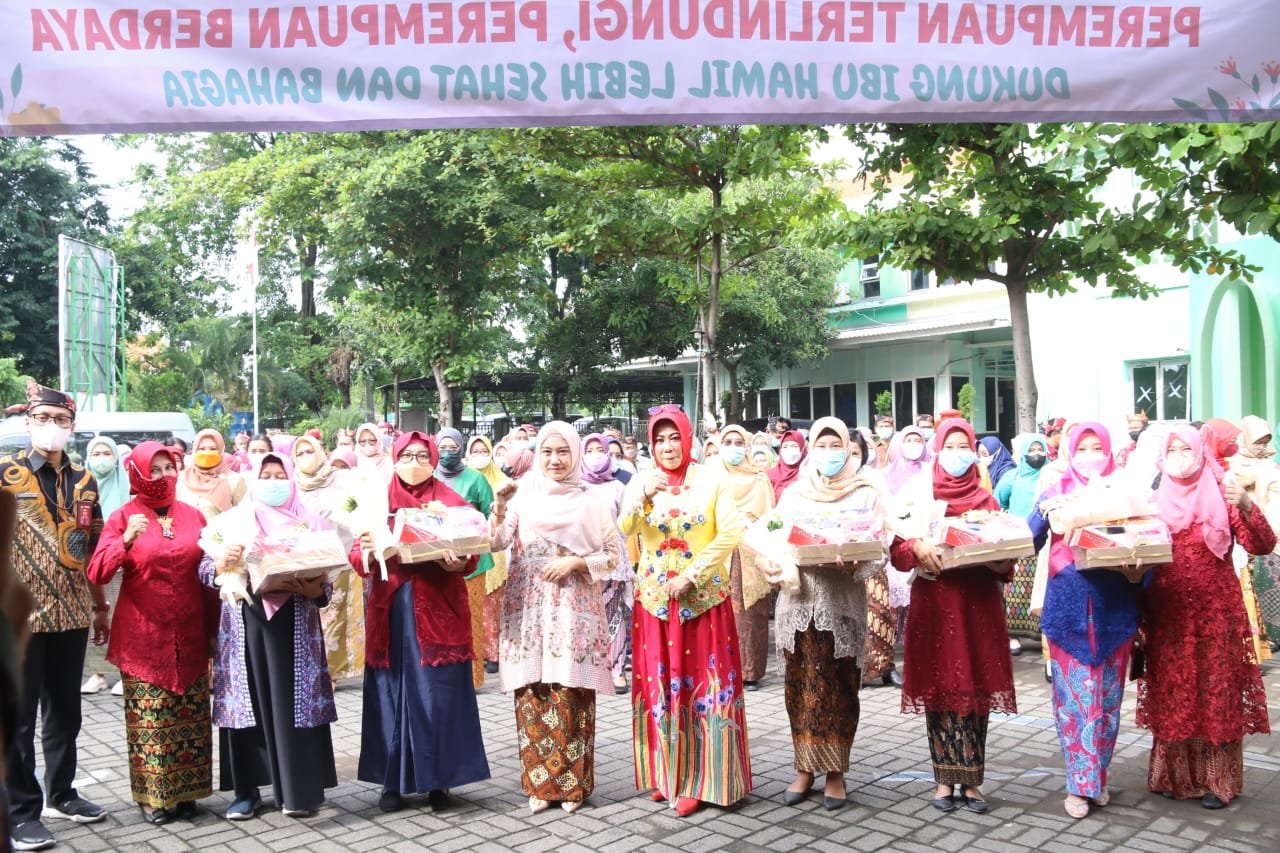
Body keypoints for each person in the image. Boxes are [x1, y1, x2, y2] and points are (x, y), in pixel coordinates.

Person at [619, 405, 750, 818]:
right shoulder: (641, 480)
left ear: (687, 438)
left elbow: (730, 531)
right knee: (661, 685)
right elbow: (623, 529)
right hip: (656, 604)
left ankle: (705, 776)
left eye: (674, 437)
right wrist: (642, 497)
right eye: (659, 439)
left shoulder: (711, 479)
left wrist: (692, 574)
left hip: (702, 602)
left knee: (705, 688)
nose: (668, 446)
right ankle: (667, 773)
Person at [1137, 425, 1275, 809]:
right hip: (1168, 613)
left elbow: (1261, 544)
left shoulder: (1223, 493)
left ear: (1200, 452)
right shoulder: (1153, 499)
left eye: (1187, 448)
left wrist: (1247, 504)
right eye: (1173, 449)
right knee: (1174, 690)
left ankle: (1219, 782)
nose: (1180, 456)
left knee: (1216, 692)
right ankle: (1174, 777)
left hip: (1216, 611)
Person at [354, 432, 490, 814]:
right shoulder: (377, 499)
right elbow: (355, 552)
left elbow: (472, 547)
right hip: (392, 608)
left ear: (433, 460)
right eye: (407, 455)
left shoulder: (450, 501)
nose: (414, 461)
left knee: (437, 693)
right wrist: (368, 551)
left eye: (421, 455)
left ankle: (439, 780)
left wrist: (458, 561)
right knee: (392, 692)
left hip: (438, 608)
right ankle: (391, 781)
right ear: (394, 458)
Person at [888, 418, 1016, 815]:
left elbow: (1007, 560)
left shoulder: (986, 499)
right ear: (938, 449)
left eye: (966, 447)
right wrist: (918, 546)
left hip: (977, 606)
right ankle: (944, 780)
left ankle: (973, 781)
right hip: (935, 605)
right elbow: (896, 550)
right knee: (941, 688)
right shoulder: (917, 494)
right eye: (951, 446)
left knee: (975, 690)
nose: (958, 454)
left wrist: (995, 559)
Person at [202, 452, 338, 821]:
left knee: (292, 706)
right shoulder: (232, 521)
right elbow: (203, 571)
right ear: (253, 480)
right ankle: (247, 792)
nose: (274, 482)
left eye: (281, 475)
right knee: (248, 708)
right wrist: (221, 561)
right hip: (245, 623)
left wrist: (314, 589)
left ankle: (299, 791)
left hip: (294, 626)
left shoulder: (310, 521)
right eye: (267, 475)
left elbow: (326, 587)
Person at [490, 423, 618, 813]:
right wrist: (498, 506)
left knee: (571, 693)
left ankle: (572, 786)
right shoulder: (522, 495)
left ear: (575, 454)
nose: (555, 460)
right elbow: (495, 542)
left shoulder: (592, 500)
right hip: (528, 608)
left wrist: (576, 561)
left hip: (573, 607)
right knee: (533, 693)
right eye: (547, 452)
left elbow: (614, 556)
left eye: (563, 451)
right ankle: (538, 785)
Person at [2, 386, 108, 851]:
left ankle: (61, 793)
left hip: (71, 613)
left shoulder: (85, 481)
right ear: (28, 421)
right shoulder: (6, 475)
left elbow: (94, 549)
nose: (52, 426)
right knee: (20, 719)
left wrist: (101, 605)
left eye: (60, 419)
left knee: (65, 713)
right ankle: (22, 811)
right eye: (43, 417)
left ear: (72, 425)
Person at [85, 442, 214, 825]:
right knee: (152, 719)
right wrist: (125, 541)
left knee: (189, 716)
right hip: (144, 638)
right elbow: (97, 573)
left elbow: (206, 578)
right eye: (153, 470)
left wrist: (213, 632)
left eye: (168, 468)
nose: (162, 477)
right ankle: (153, 798)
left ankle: (188, 793)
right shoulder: (123, 517)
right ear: (137, 474)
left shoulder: (194, 517)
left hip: (189, 633)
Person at [1026, 424, 1145, 819]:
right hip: (1068, 613)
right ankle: (1079, 784)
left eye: (1098, 447)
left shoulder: (1123, 494)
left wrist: (1138, 572)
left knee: (1108, 703)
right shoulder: (1056, 492)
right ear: (1070, 453)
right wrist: (1045, 510)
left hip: (1113, 613)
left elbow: (1148, 549)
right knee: (1074, 702)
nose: (1090, 454)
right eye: (1083, 448)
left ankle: (1099, 776)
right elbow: (1028, 539)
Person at [768, 419, 884, 811]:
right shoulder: (795, 493)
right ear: (811, 449)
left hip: (841, 604)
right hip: (798, 605)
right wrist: (773, 563)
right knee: (800, 687)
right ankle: (804, 767)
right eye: (822, 444)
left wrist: (854, 562)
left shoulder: (865, 492)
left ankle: (836, 772)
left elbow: (879, 548)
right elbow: (775, 540)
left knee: (839, 687)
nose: (830, 452)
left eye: (837, 444)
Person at [291, 434, 363, 683]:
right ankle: (313, 668)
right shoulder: (292, 484)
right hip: (306, 562)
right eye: (299, 453)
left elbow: (356, 510)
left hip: (339, 557)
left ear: (321, 452)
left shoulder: (341, 479)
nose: (305, 458)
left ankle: (331, 672)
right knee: (311, 618)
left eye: (309, 451)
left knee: (334, 615)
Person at [435, 428, 496, 688]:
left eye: (453, 447)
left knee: (472, 618)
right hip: (436, 560)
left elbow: (490, 517)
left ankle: (472, 678)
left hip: (473, 562)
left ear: (461, 449)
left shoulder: (476, 479)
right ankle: (444, 673)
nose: (447, 452)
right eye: (442, 447)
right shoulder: (430, 477)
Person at [717, 425, 774, 691]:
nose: (733, 447)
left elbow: (771, 518)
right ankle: (724, 668)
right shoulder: (713, 476)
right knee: (723, 612)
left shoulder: (760, 479)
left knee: (751, 614)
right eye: (727, 441)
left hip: (752, 553)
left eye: (738, 442)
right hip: (720, 554)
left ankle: (751, 671)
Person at [580, 433, 632, 694]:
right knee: (587, 616)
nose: (595, 454)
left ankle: (617, 669)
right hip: (583, 561)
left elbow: (626, 526)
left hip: (612, 560)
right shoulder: (574, 485)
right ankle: (591, 670)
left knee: (614, 615)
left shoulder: (618, 487)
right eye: (588, 449)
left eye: (599, 449)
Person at [79, 436, 130, 696]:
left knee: (121, 616)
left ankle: (124, 672)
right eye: (96, 454)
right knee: (96, 616)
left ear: (116, 458)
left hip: (121, 566)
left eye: (106, 453)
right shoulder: (82, 490)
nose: (101, 459)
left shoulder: (128, 489)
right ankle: (98, 674)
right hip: (92, 566)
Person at [995, 433, 1051, 655]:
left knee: (1041, 588)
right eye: (1032, 449)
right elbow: (999, 501)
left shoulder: (1050, 475)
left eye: (1040, 449)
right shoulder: (1012, 476)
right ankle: (1014, 635)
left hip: (1044, 541)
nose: (1036, 454)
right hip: (1019, 538)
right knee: (1016, 590)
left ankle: (1041, 634)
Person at [1231, 416, 1280, 646]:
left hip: (1270, 529)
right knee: (1253, 583)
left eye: (1265, 441)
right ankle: (1261, 637)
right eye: (1257, 441)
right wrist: (1257, 475)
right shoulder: (1235, 460)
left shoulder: (1269, 461)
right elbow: (1234, 483)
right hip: (1248, 528)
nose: (1261, 446)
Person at [467, 435, 510, 676]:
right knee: (475, 605)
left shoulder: (502, 480)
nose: (481, 454)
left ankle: (495, 653)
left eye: (485, 450)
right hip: (469, 548)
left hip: (494, 547)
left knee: (493, 603)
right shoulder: (462, 479)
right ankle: (478, 652)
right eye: (476, 450)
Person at [177, 429, 248, 521]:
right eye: (201, 449)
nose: (207, 453)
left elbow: (243, 517)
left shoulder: (234, 480)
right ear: (194, 451)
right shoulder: (181, 478)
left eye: (213, 449)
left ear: (221, 451)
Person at [766, 429, 808, 502]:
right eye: (785, 447)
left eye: (794, 446)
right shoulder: (770, 475)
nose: (789, 450)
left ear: (802, 449)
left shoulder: (809, 474)